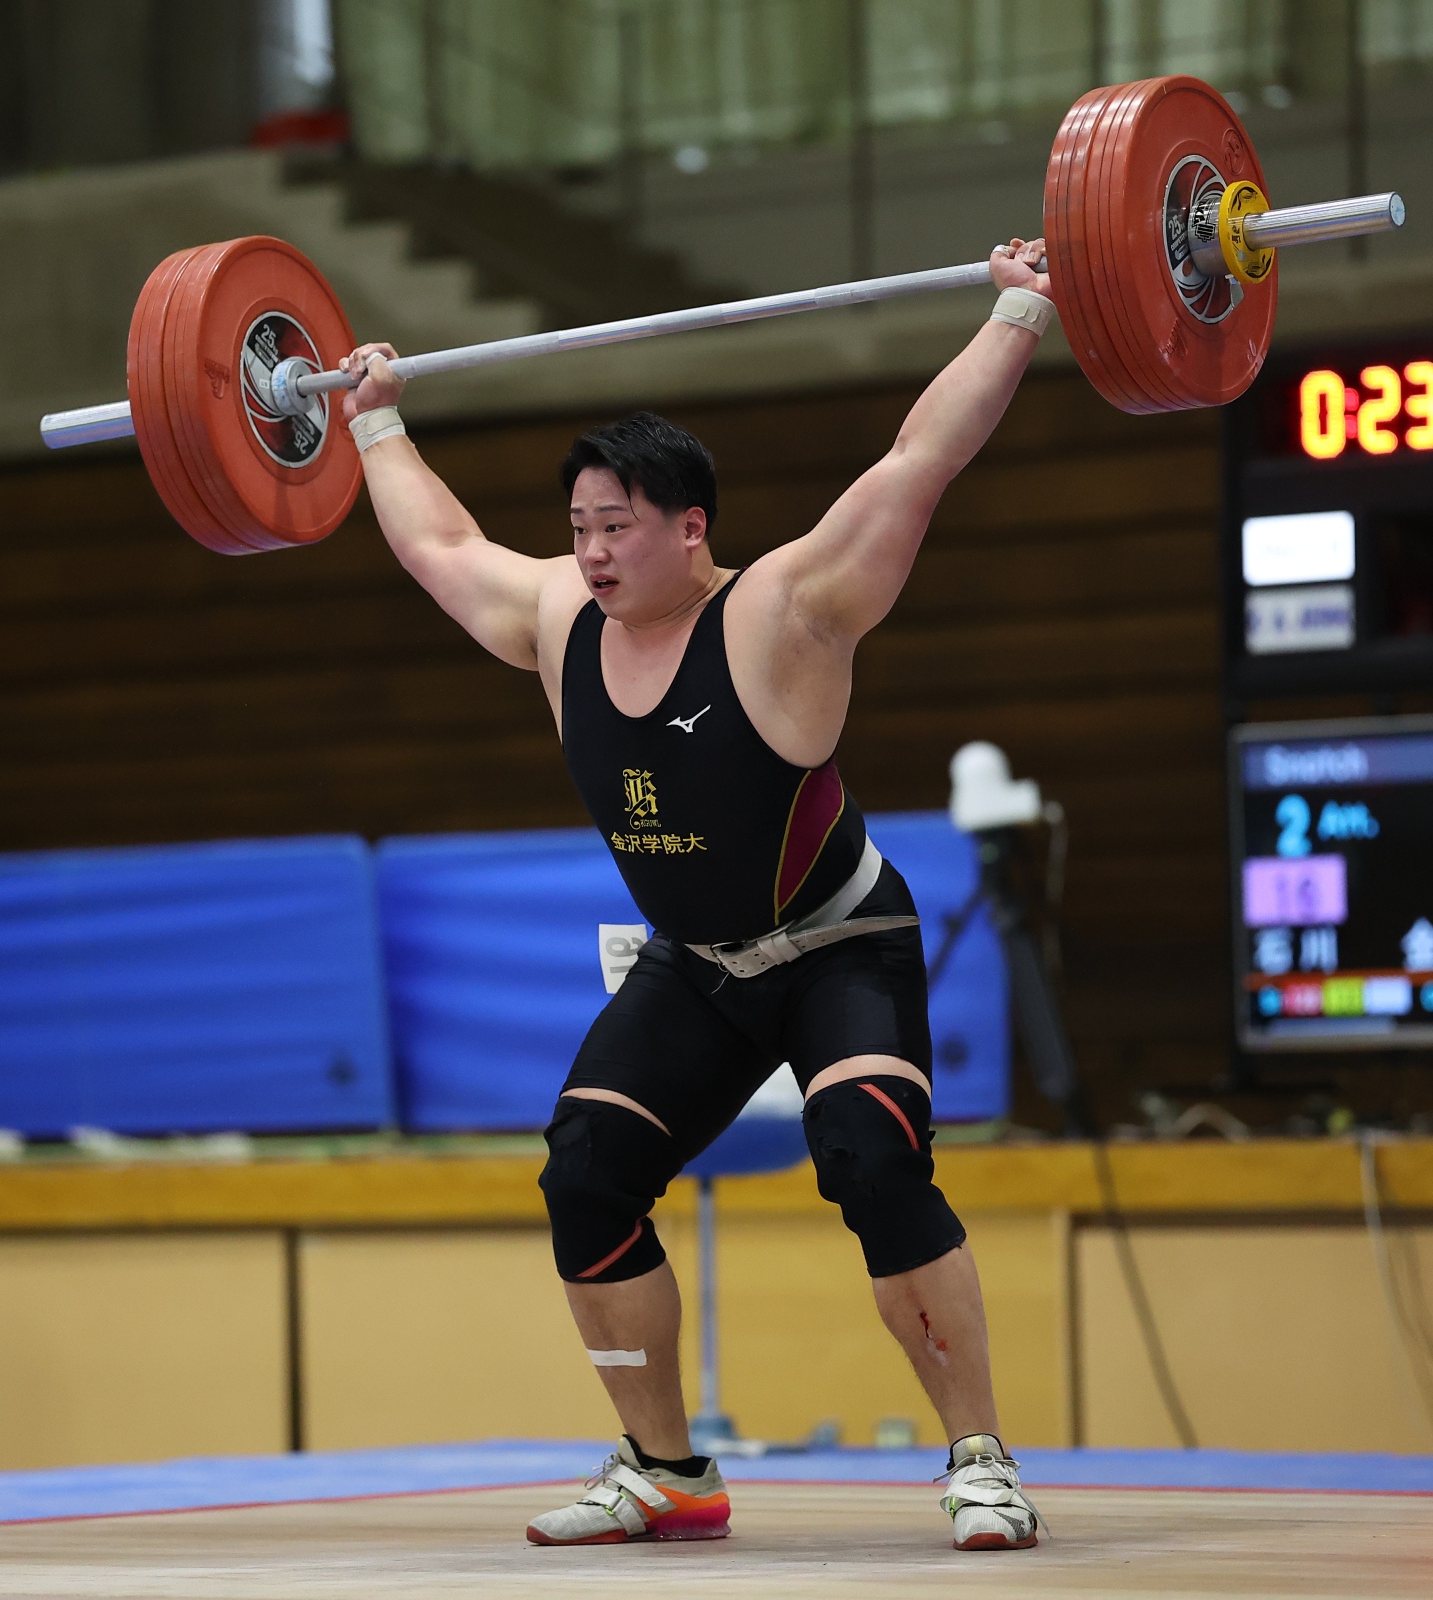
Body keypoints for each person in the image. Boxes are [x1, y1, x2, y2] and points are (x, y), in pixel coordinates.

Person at [338, 240, 1054, 1552]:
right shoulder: (559, 619)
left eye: (617, 526)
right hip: (699, 963)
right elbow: (440, 542)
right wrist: (372, 416)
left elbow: (918, 462)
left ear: (690, 527)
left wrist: (1020, 308)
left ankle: (980, 1458)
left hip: (839, 944)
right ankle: (666, 1470)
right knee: (585, 1174)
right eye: (579, 528)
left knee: (871, 1155)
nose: (592, 552)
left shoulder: (787, 612)